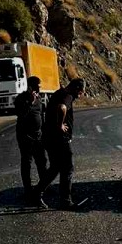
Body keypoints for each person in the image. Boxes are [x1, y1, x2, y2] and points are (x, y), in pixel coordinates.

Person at [33, 78, 86, 210]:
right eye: (80, 92)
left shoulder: (58, 92)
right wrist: (60, 125)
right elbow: (62, 107)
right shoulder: (68, 96)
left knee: (55, 167)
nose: (80, 96)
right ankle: (65, 201)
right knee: (67, 168)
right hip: (60, 139)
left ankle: (37, 193)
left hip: (48, 137)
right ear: (76, 89)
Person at [14, 76, 47, 202]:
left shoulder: (39, 99)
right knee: (26, 163)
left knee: (42, 162)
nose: (40, 88)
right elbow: (20, 115)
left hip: (38, 137)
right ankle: (28, 190)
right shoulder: (20, 99)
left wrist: (44, 133)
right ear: (30, 86)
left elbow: (41, 117)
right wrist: (30, 103)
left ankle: (44, 187)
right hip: (25, 137)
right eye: (38, 85)